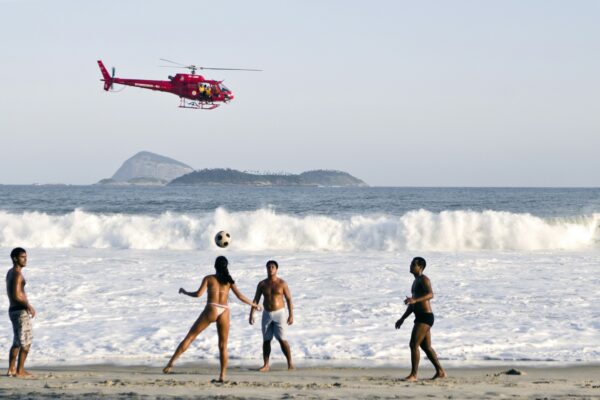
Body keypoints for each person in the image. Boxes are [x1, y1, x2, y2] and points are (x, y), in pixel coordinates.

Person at [163, 256, 261, 382]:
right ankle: (222, 376)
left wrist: (186, 292)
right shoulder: (229, 281)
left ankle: (170, 364)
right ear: (226, 266)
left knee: (190, 337)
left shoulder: (209, 278)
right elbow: (240, 296)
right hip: (225, 310)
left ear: (215, 266)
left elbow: (198, 294)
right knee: (223, 345)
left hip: (212, 308)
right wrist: (254, 305)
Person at [395, 257, 446, 381]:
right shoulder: (415, 282)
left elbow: (430, 294)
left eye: (413, 264)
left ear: (420, 267)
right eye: (411, 263)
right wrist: (402, 318)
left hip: (425, 317)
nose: (411, 266)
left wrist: (415, 300)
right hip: (421, 316)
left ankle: (413, 375)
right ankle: (440, 371)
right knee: (426, 347)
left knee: (413, 344)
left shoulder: (424, 279)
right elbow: (412, 305)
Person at [249, 260, 294, 371]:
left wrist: (291, 315)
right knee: (266, 340)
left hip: (280, 313)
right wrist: (251, 314)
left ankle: (290, 363)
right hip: (267, 314)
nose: (270, 268)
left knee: (282, 339)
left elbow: (288, 299)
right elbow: (256, 299)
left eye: (273, 267)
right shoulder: (262, 284)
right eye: (268, 267)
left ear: (276, 269)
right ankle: (266, 365)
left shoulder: (282, 283)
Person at [6, 247, 36, 378]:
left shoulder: (10, 272)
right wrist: (28, 305)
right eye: (23, 257)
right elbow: (16, 295)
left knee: (17, 342)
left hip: (13, 310)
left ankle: (11, 369)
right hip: (19, 310)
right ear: (15, 258)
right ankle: (20, 371)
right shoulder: (18, 274)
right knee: (26, 342)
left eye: (26, 256)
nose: (26, 259)